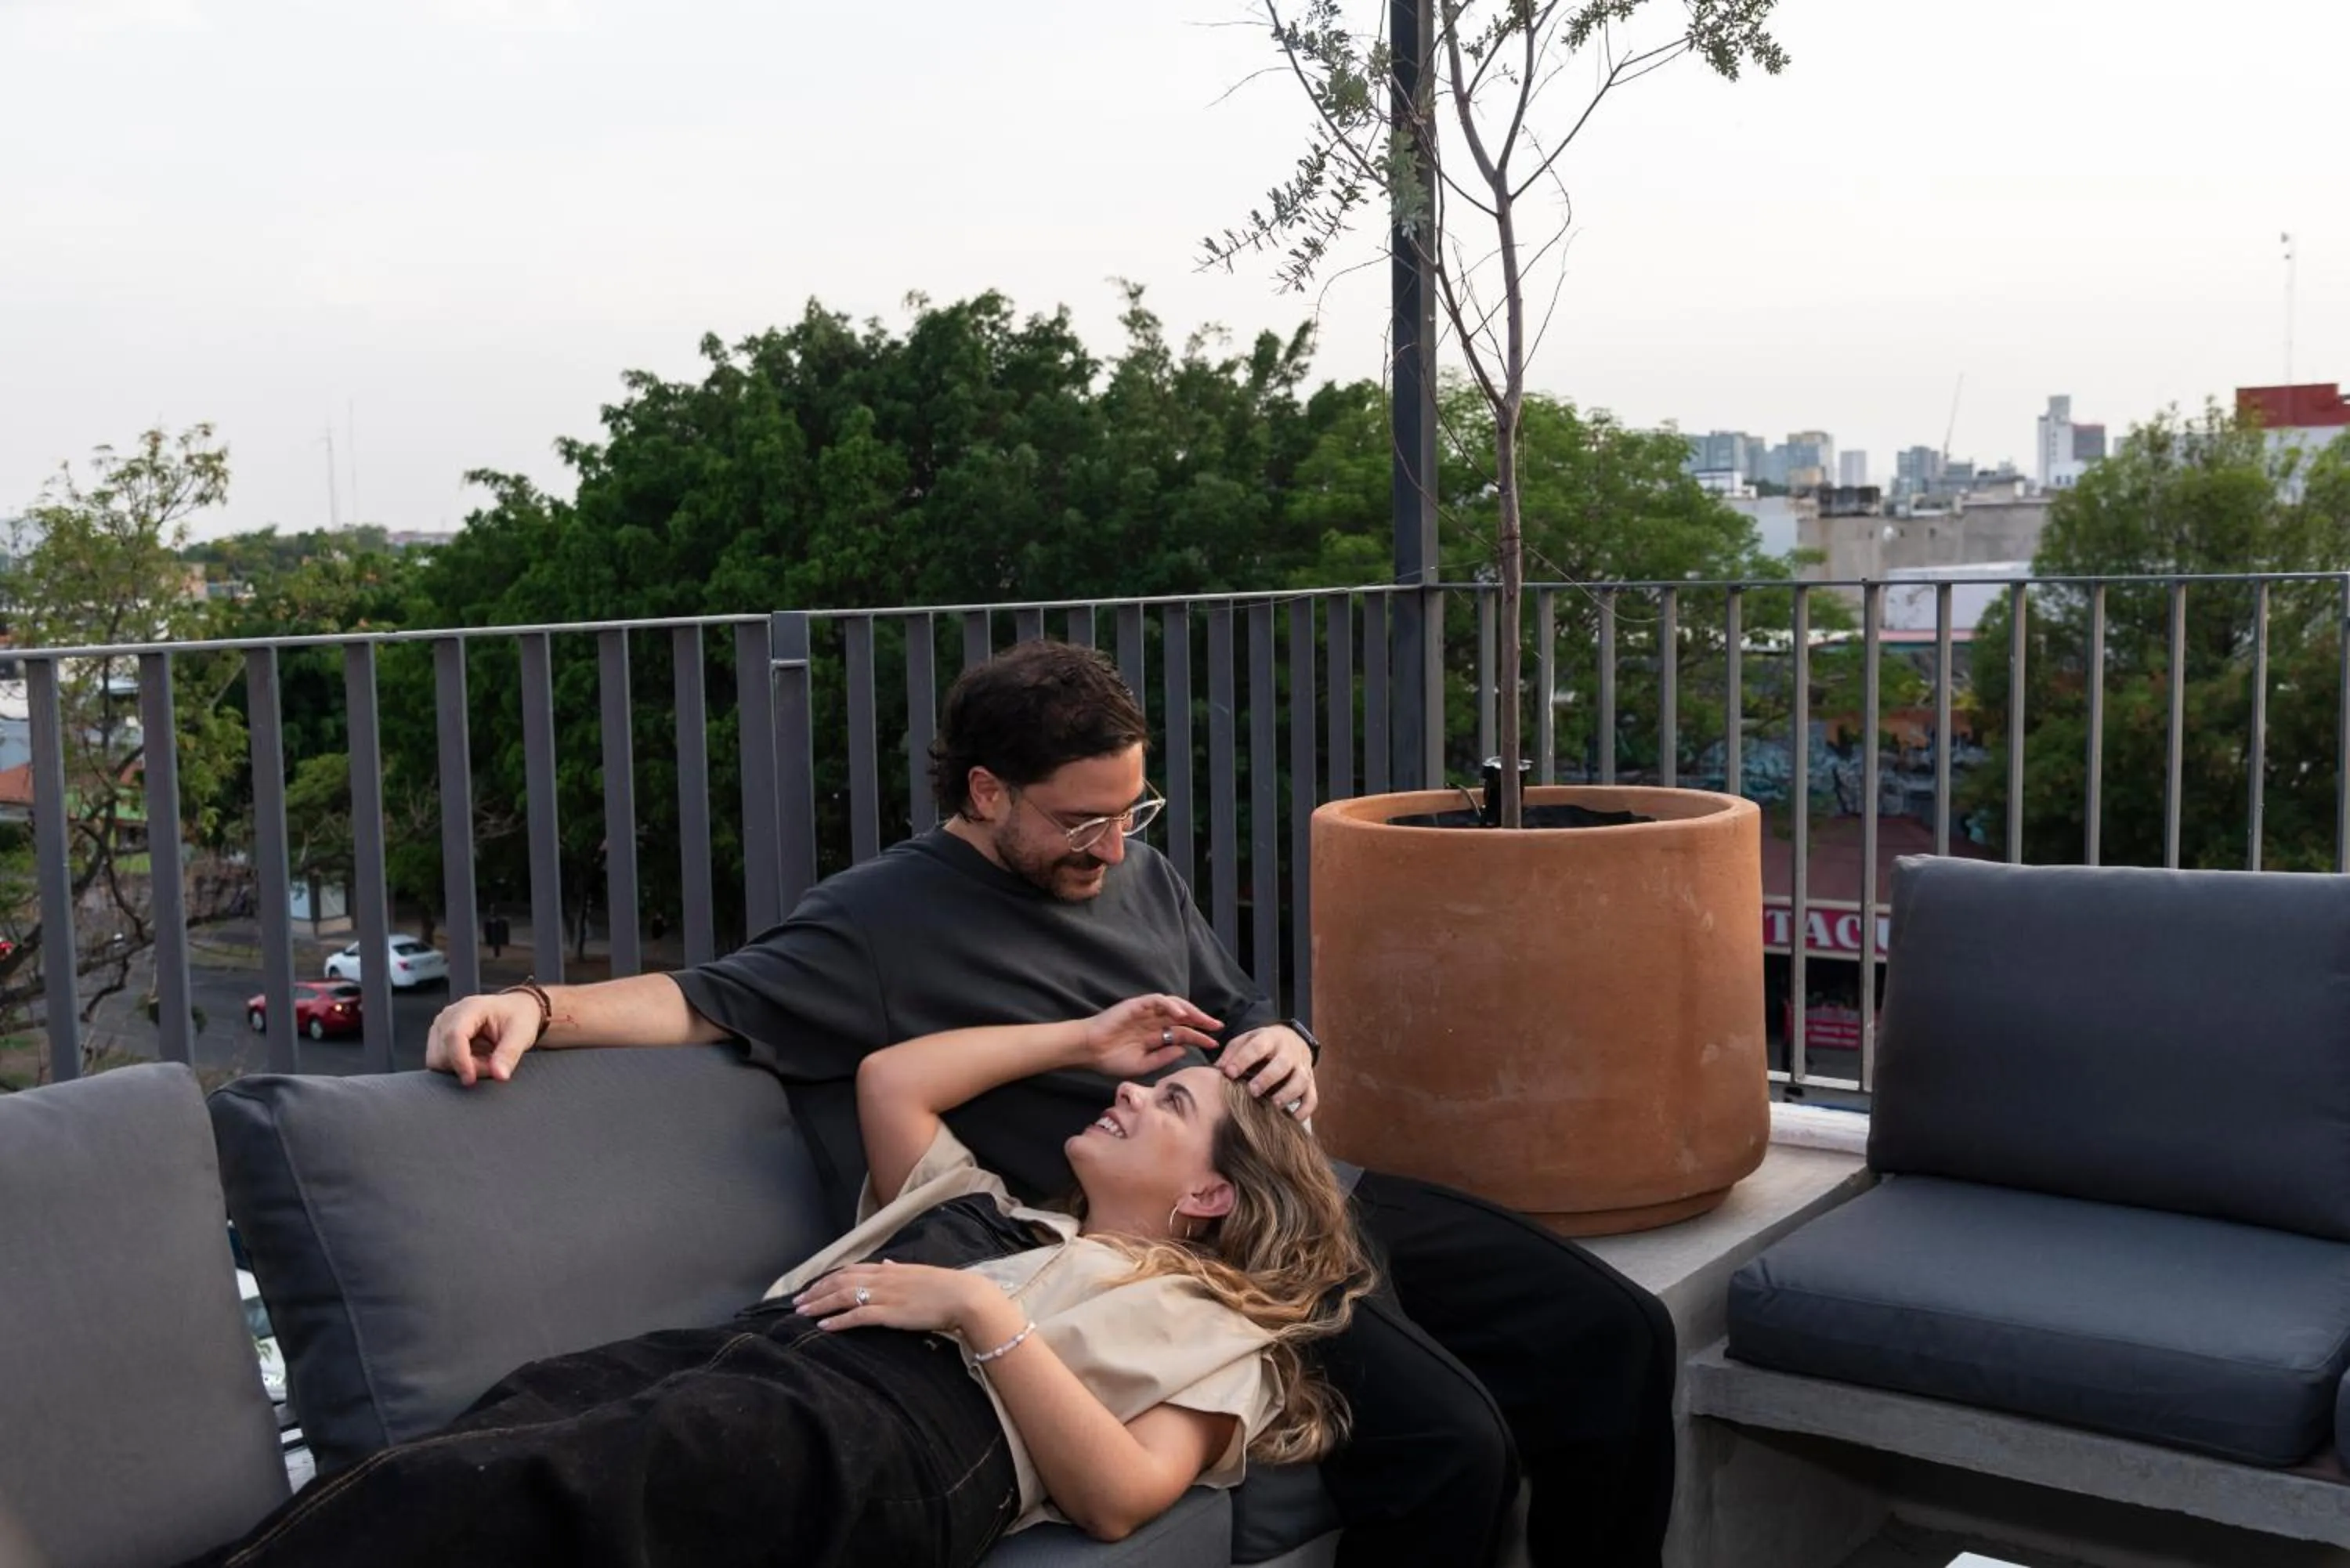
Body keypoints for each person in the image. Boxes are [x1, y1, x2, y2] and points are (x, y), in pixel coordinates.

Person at [424, 639, 1677, 1568]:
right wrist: (538, 1004)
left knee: (1617, 1336)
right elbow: (705, 997)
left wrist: (1282, 1038)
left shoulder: (1139, 870)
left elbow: (1236, 1004)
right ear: (983, 794)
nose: (1114, 847)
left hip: (1302, 1180)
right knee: (1447, 1446)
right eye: (1082, 821)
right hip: (1195, 1244)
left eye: (1133, 810)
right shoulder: (881, 921)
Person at [181, 995, 1372, 1567]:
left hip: (907, 1426)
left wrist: (979, 1312)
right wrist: (1084, 1038)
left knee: (561, 1482)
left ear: (1211, 1194)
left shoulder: (1211, 1326)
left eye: (1168, 1102)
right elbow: (892, 1078)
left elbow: (1121, 1494)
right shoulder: (986, 1212)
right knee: (490, 1431)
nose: (1128, 1094)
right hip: (758, 1351)